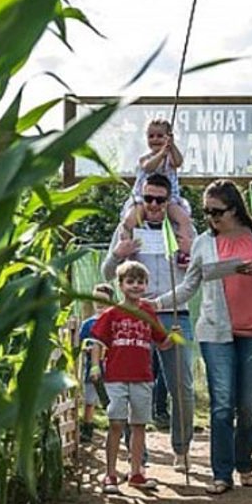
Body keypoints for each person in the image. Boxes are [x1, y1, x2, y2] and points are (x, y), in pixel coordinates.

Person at [153, 179, 252, 494]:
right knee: (222, 405)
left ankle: (244, 465)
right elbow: (189, 286)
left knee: (247, 406)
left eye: (217, 211)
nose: (211, 217)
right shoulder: (203, 242)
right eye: (206, 212)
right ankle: (221, 473)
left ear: (235, 208)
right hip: (216, 332)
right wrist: (156, 303)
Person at [101, 173, 196, 473]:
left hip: (173, 313)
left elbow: (195, 274)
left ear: (170, 201)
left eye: (160, 199)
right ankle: (136, 458)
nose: (153, 205)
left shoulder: (182, 228)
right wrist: (119, 255)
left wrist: (186, 255)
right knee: (132, 384)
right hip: (135, 315)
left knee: (181, 385)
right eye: (148, 198)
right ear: (140, 199)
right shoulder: (128, 227)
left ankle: (181, 449)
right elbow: (106, 273)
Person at [89, 261, 175, 494]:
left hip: (143, 377)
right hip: (116, 377)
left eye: (140, 282)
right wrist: (96, 366)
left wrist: (173, 337)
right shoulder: (111, 313)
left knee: (139, 425)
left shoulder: (148, 312)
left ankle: (136, 472)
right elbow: (97, 342)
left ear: (146, 285)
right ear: (121, 285)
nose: (136, 286)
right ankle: (110, 474)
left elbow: (162, 342)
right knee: (116, 423)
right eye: (131, 281)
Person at [119, 119, 193, 262]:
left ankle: (184, 252)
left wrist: (171, 147)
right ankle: (126, 249)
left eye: (160, 136)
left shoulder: (170, 158)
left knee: (183, 219)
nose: (155, 139)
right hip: (143, 199)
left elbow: (178, 162)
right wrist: (161, 154)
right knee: (129, 220)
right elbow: (149, 167)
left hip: (169, 199)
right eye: (151, 136)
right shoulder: (145, 158)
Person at [78, 283, 116, 443]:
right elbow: (80, 343)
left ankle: (115, 429)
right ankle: (87, 428)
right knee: (89, 401)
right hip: (91, 370)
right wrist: (87, 348)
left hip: (111, 371)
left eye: (104, 300)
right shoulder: (88, 324)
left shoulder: (114, 321)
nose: (99, 303)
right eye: (96, 299)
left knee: (112, 402)